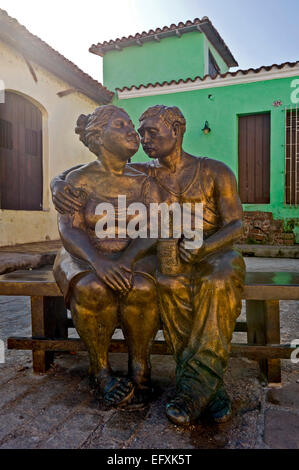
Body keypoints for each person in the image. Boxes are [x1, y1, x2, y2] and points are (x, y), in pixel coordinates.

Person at [51, 105, 245, 425]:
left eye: (151, 132)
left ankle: (198, 384)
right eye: (140, 133)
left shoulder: (214, 171)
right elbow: (96, 165)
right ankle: (195, 381)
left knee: (217, 282)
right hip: (161, 254)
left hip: (212, 251)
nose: (143, 138)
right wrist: (57, 183)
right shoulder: (144, 170)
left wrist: (203, 248)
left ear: (177, 130)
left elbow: (236, 225)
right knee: (166, 284)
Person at [52, 105, 160, 409]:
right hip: (82, 252)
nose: (132, 132)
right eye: (121, 125)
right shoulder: (78, 180)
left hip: (132, 254)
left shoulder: (144, 181)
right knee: (92, 288)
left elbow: (152, 229)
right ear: (98, 137)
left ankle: (140, 365)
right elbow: (69, 230)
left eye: (131, 125)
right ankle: (99, 370)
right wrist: (98, 263)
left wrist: (125, 261)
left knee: (141, 288)